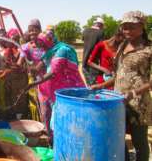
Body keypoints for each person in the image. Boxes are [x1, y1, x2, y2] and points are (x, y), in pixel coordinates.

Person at [91, 11, 152, 161]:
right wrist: (102, 85)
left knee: (139, 141)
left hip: (139, 104)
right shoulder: (122, 45)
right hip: (118, 101)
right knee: (118, 137)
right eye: (125, 27)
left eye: (132, 26)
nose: (127, 31)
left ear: (142, 27)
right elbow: (119, 74)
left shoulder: (148, 49)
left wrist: (133, 93)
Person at [27, 32, 85, 142]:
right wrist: (31, 68)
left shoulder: (62, 50)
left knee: (65, 121)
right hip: (53, 91)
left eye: (41, 43)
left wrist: (33, 84)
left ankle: (67, 143)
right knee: (50, 118)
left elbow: (53, 72)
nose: (40, 47)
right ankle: (55, 142)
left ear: (48, 40)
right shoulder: (49, 52)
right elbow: (40, 67)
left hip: (68, 91)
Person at [82, 17, 105, 85]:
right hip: (94, 62)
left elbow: (84, 40)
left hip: (84, 61)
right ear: (100, 24)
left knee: (88, 83)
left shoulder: (85, 30)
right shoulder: (100, 32)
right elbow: (101, 46)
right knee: (95, 84)